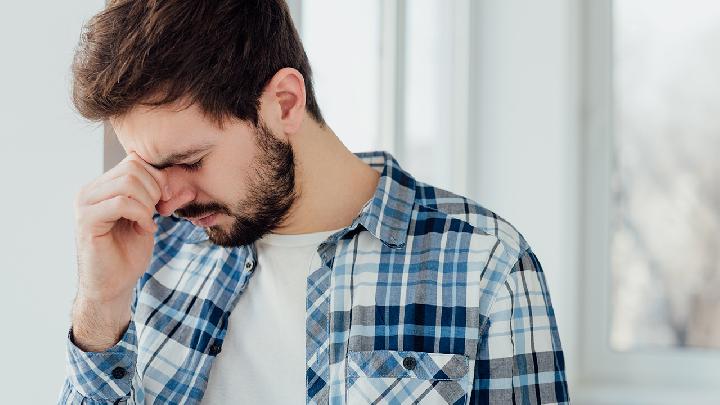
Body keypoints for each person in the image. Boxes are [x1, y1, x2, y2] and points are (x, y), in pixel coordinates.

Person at [58, 0, 569, 404]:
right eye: (148, 166)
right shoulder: (149, 254)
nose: (166, 200)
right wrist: (100, 308)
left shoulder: (485, 264)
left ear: (284, 102)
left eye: (189, 160)